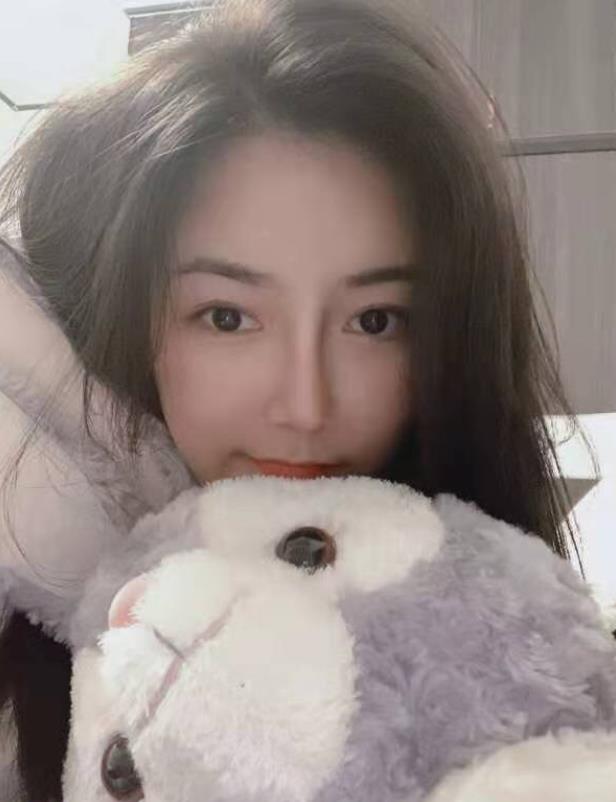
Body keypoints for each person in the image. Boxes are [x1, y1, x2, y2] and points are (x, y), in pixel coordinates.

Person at [0, 0, 596, 799]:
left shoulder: (514, 644)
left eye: (375, 321)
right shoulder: (24, 660)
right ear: (126, 317)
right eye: (229, 317)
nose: (306, 406)